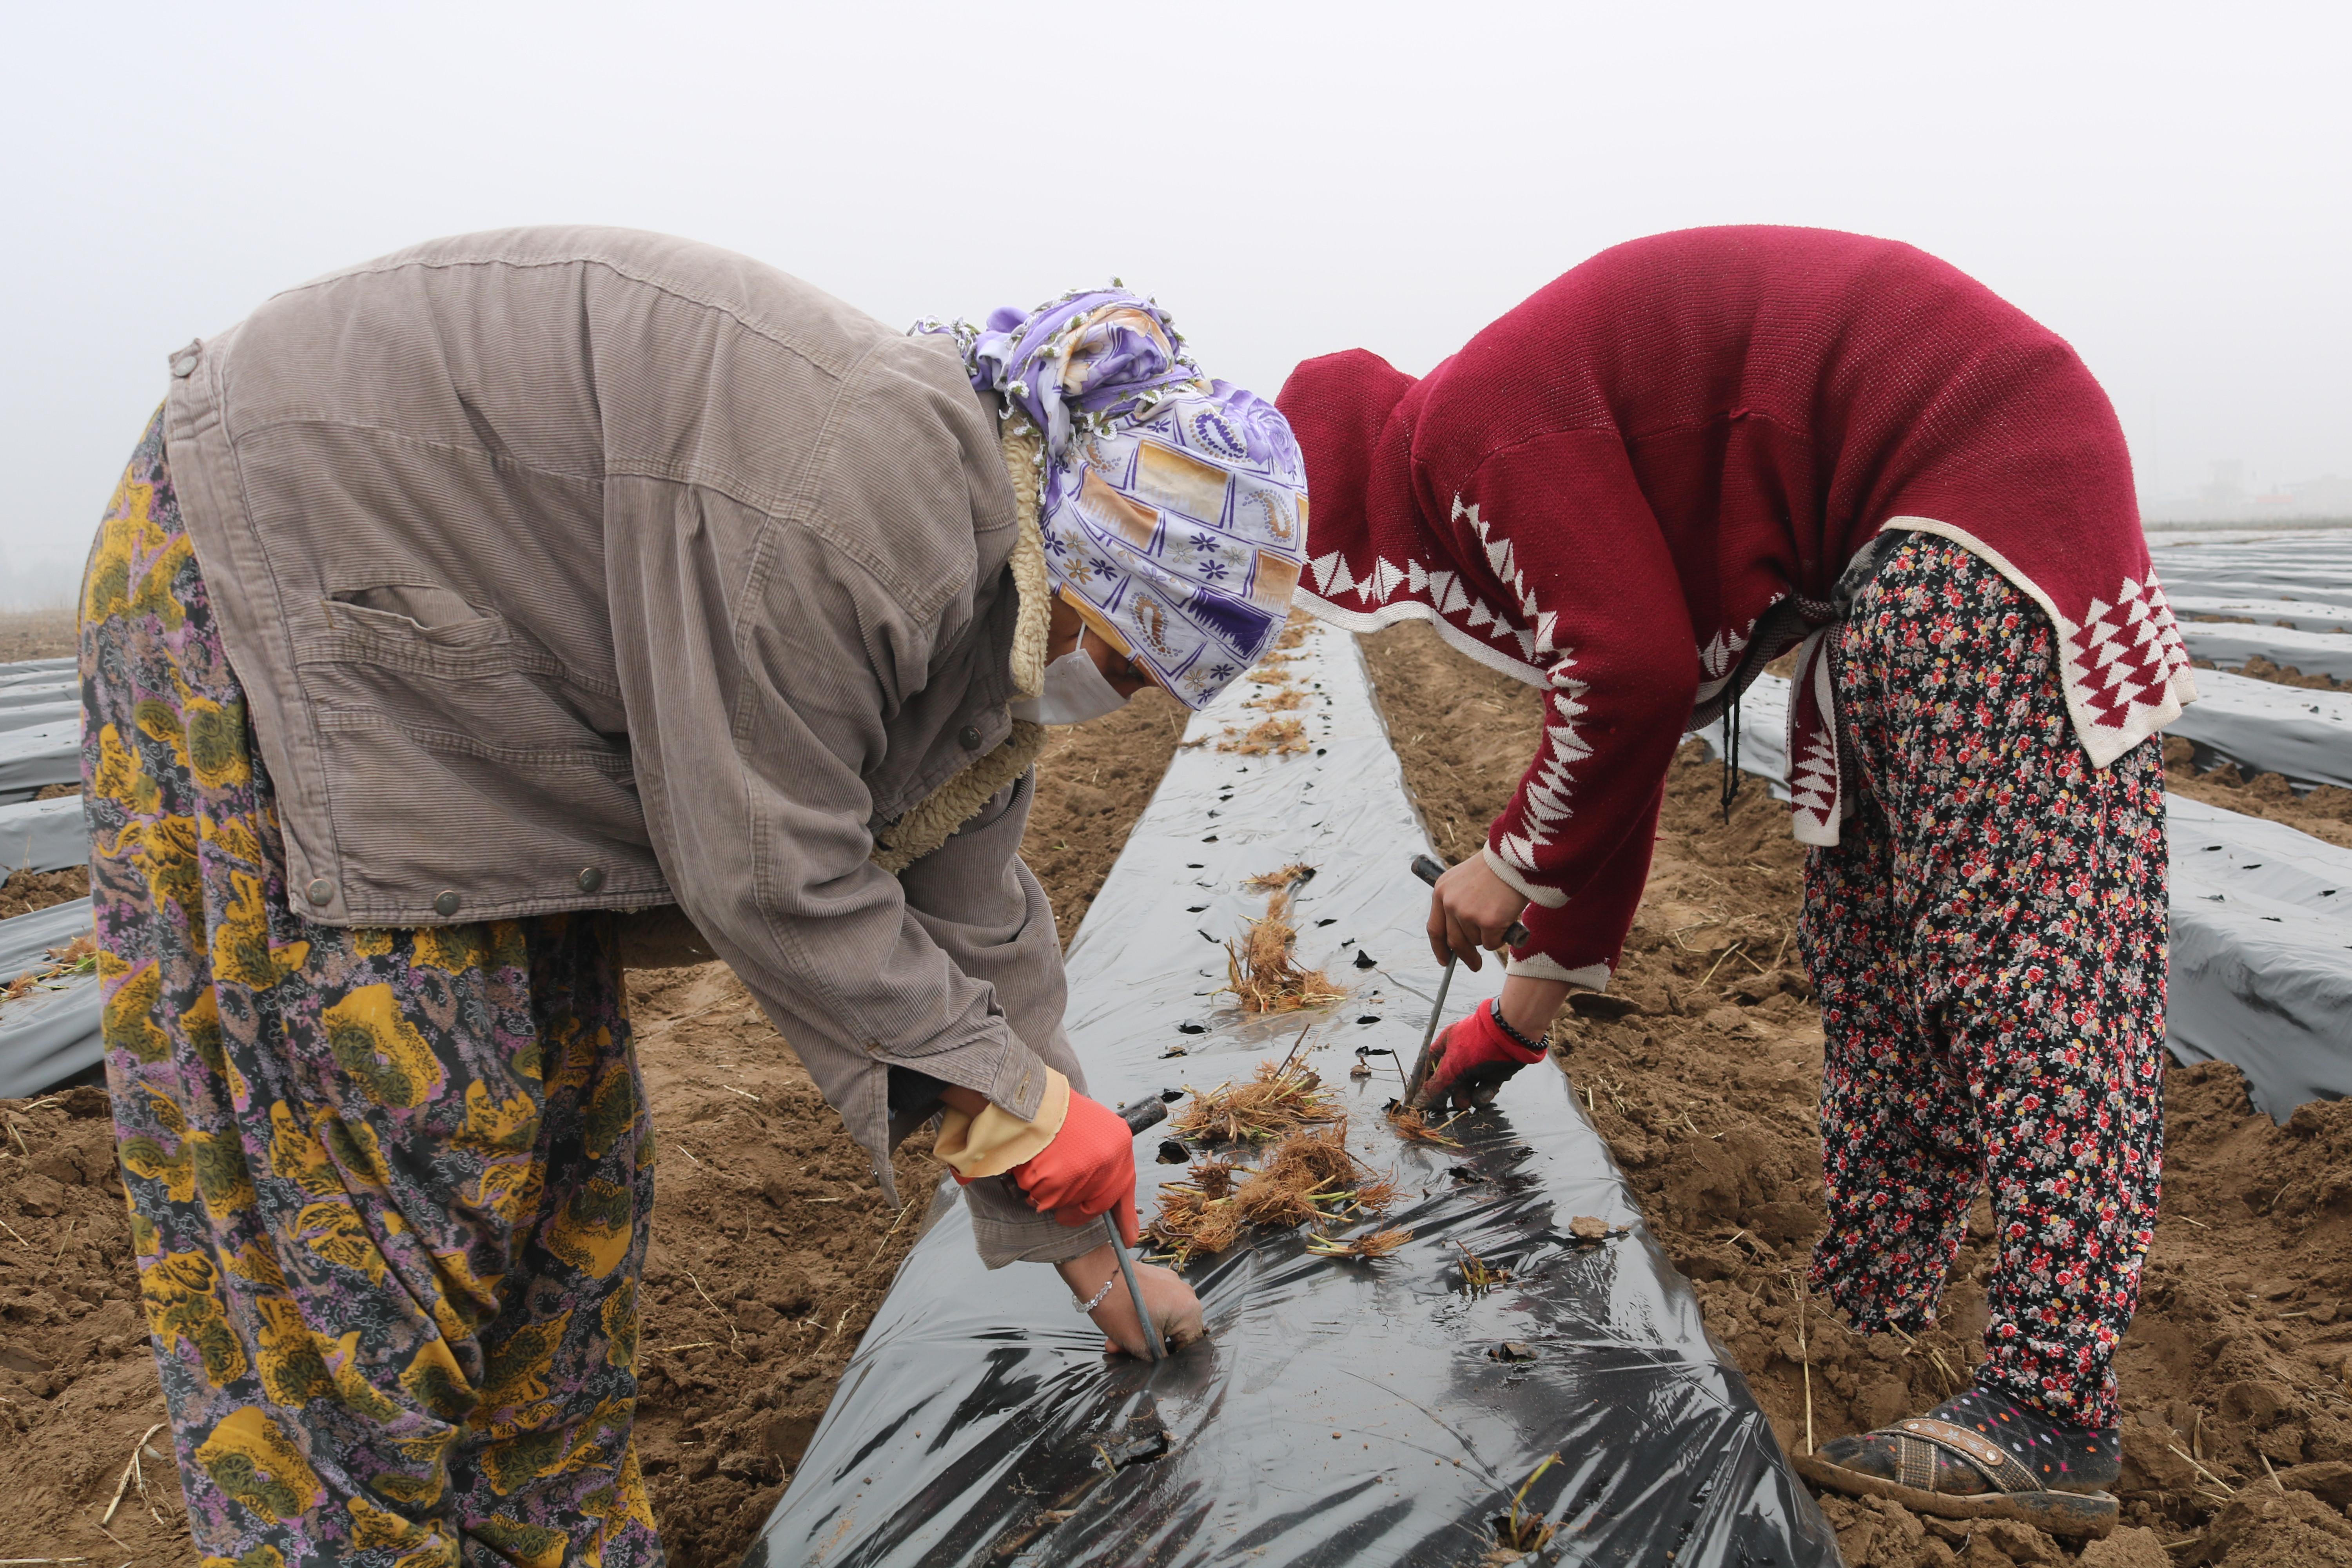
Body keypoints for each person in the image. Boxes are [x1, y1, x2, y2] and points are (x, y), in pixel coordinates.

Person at [85, 227, 1304, 1567]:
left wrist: (1093, 1253)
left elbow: (977, 921)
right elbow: (765, 863)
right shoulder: (861, 505)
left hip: (475, 684)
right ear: (1078, 560)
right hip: (285, 573)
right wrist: (1008, 1105)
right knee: (391, 1198)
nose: (1120, 700)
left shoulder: (992, 600)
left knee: (570, 1189)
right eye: (1127, 663)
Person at [1276, 225, 2186, 1538]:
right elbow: (1629, 737)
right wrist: (1515, 1024)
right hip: (1882, 558)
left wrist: (1510, 859)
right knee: (1871, 947)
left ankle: (2050, 1409)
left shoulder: (1466, 436)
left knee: (2031, 962)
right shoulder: (1486, 437)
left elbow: (1627, 675)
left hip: (1980, 486)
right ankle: (1877, 1314)